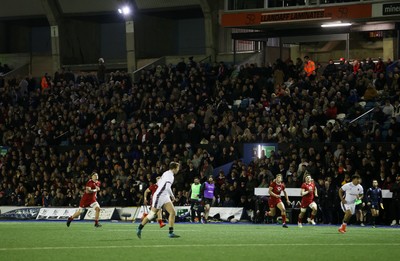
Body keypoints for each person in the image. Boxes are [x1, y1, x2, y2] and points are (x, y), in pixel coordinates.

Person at [137, 162, 180, 238]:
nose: (178, 169)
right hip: (160, 196)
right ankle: (139, 228)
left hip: (164, 195)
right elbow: (167, 187)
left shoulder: (166, 173)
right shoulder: (170, 176)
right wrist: (172, 196)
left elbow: (160, 183)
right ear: (174, 168)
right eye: (177, 168)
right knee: (152, 215)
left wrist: (169, 195)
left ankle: (170, 233)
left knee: (172, 212)